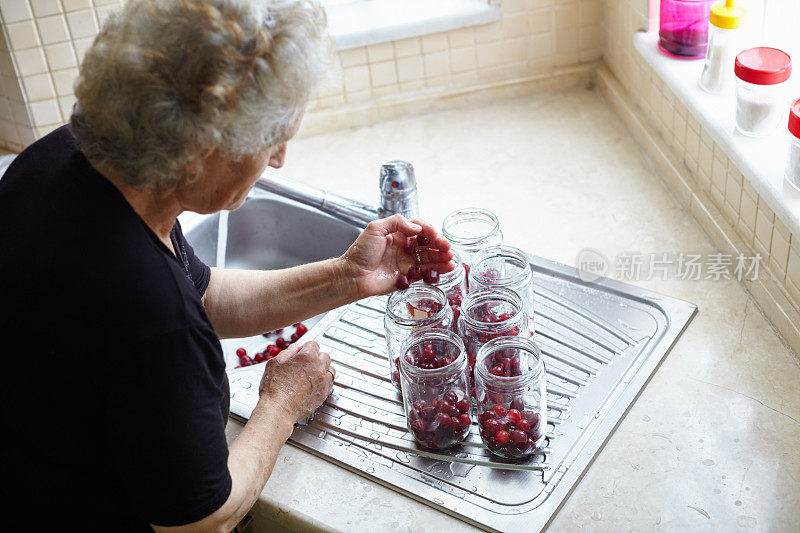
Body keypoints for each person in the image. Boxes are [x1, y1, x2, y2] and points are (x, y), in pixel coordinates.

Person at [0, 1, 453, 531]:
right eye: (272, 136)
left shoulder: (65, 159)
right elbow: (203, 520)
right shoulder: (151, 313)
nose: (279, 157)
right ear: (202, 149)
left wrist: (347, 275)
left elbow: (208, 296)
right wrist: (280, 407)